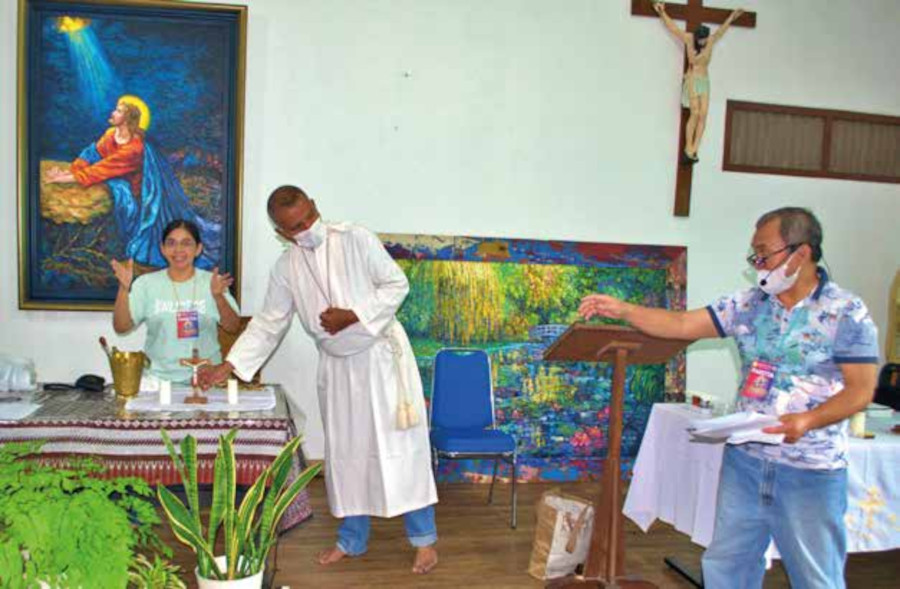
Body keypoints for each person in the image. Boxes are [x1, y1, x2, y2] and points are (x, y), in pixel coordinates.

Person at [579, 207, 879, 588]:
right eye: (755, 254)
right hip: (746, 463)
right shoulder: (750, 304)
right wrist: (624, 310)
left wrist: (808, 421)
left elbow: (860, 390)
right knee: (727, 567)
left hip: (810, 471)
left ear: (800, 253)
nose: (757, 264)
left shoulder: (846, 312)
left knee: (816, 577)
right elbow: (682, 323)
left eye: (763, 253)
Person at [197, 185, 439, 574]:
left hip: (381, 361)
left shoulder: (356, 238)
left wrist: (353, 315)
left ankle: (424, 541)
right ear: (281, 232)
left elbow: (397, 284)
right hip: (338, 367)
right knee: (347, 454)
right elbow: (269, 323)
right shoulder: (286, 268)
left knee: (400, 448)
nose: (307, 228)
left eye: (309, 217)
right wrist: (228, 366)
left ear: (315, 206)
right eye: (295, 226)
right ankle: (351, 540)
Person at [45, 97, 221, 268]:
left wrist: (62, 178)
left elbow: (101, 169)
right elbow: (91, 154)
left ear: (128, 118)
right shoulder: (111, 135)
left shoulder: (133, 149)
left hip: (139, 196)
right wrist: (73, 169)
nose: (113, 113)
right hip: (117, 177)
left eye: (118, 111)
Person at [111, 219, 240, 384]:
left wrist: (218, 297)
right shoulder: (146, 284)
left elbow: (233, 327)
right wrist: (123, 288)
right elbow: (121, 327)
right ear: (162, 249)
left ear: (198, 249)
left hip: (206, 378)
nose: (178, 250)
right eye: (171, 243)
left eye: (186, 243)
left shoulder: (213, 282)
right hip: (158, 380)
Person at [653, 1, 744, 164]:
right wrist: (662, 13)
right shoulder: (689, 39)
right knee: (694, 113)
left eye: (704, 39)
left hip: (704, 80)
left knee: (704, 114)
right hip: (693, 79)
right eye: (700, 39)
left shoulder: (710, 41)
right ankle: (688, 147)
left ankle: (694, 148)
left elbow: (721, 31)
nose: (702, 42)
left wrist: (731, 17)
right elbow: (674, 28)